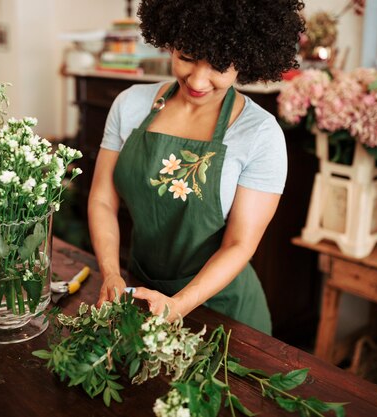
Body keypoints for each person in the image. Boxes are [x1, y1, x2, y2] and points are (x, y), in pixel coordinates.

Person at [88, 0, 304, 334]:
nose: (198, 81)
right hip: (139, 294)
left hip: (223, 312)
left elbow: (240, 244)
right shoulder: (130, 104)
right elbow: (103, 198)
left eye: (218, 66)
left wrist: (179, 304)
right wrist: (112, 274)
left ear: (246, 59)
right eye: (186, 57)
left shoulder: (260, 134)